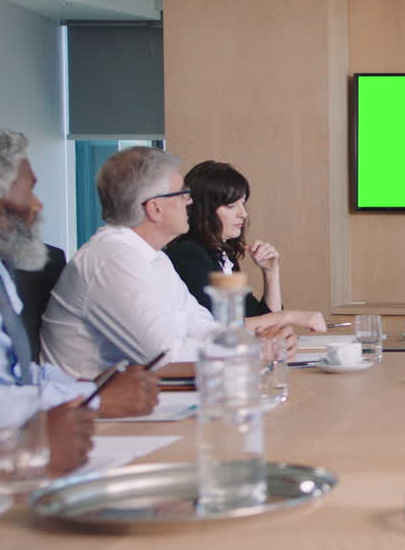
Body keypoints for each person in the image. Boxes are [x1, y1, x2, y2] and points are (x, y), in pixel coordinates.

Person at [0, 125, 157, 472]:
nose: (37, 205)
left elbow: (15, 376)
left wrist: (89, 385)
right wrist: (91, 400)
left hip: (15, 452)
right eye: (29, 191)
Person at [41, 147, 298, 379]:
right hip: (92, 416)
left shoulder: (154, 258)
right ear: (155, 208)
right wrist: (253, 349)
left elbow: (203, 327)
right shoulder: (112, 260)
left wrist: (257, 345)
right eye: (182, 194)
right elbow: (165, 357)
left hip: (143, 397)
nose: (190, 201)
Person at [165, 160, 324, 330]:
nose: (243, 214)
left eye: (243, 203)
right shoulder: (188, 255)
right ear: (205, 209)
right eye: (231, 206)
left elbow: (263, 322)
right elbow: (216, 329)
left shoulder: (223, 255)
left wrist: (271, 272)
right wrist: (290, 317)